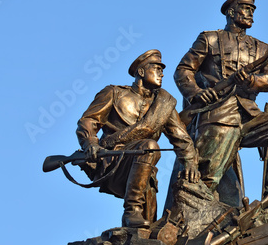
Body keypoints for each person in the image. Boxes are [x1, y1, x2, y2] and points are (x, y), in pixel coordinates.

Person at [174, 0, 268, 209]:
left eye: (252, 10)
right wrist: (196, 93)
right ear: (231, 12)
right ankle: (188, 218)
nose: (251, 13)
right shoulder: (209, 38)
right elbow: (183, 70)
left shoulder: (261, 48)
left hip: (249, 115)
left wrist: (252, 80)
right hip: (218, 115)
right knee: (208, 180)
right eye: (246, 9)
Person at [77, 49, 199, 228]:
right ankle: (131, 210)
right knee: (150, 146)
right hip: (113, 160)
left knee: (146, 225)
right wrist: (90, 144)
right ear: (141, 71)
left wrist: (191, 163)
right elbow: (88, 121)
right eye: (157, 69)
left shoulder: (164, 103)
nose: (162, 73)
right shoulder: (114, 93)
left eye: (162, 69)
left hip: (144, 166)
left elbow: (182, 138)